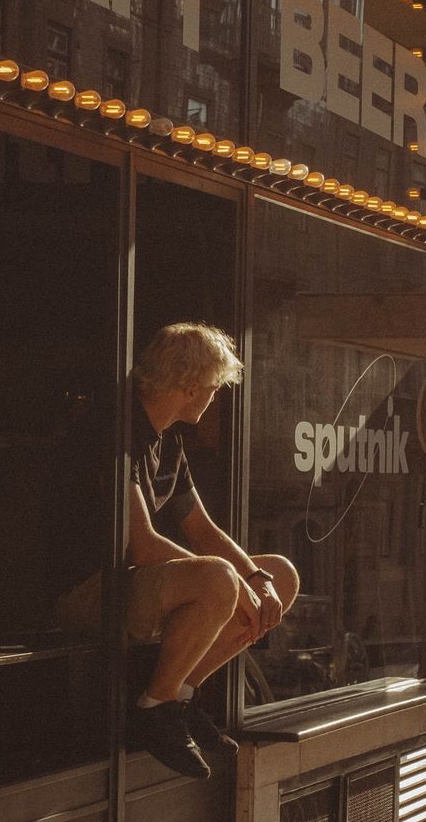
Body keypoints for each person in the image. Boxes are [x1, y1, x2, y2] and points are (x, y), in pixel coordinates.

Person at [53, 323, 300, 780]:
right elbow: (142, 545)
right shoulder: (116, 431)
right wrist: (231, 583)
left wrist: (257, 580)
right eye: (213, 388)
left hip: (131, 585)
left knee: (279, 575)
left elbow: (203, 531)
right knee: (220, 578)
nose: (215, 398)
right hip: (86, 592)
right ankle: (154, 709)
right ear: (190, 389)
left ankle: (181, 697)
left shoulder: (167, 439)